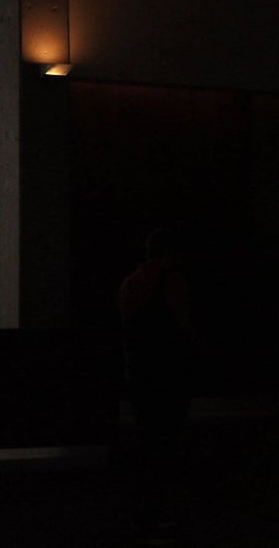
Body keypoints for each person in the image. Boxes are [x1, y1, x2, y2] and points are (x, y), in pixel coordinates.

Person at [119, 227, 192, 541]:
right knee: (165, 443)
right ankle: (157, 512)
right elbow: (183, 324)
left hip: (140, 373)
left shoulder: (130, 283)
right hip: (168, 373)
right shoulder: (172, 280)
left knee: (146, 440)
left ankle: (141, 513)